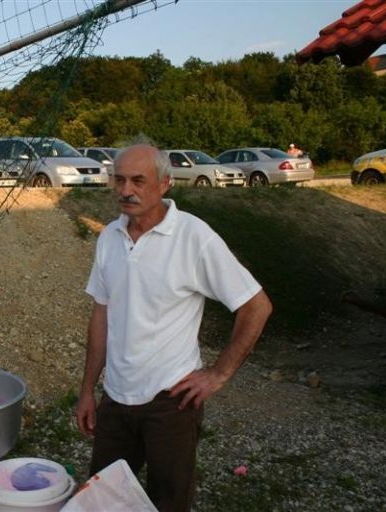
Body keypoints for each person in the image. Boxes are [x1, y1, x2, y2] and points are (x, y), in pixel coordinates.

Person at [75, 142, 273, 512]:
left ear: (165, 184)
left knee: (169, 501)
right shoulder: (109, 237)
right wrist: (87, 389)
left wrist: (218, 374)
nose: (126, 190)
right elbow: (101, 314)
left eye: (138, 181)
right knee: (102, 500)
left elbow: (256, 306)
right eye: (119, 180)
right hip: (115, 398)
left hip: (171, 401)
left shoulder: (194, 237)